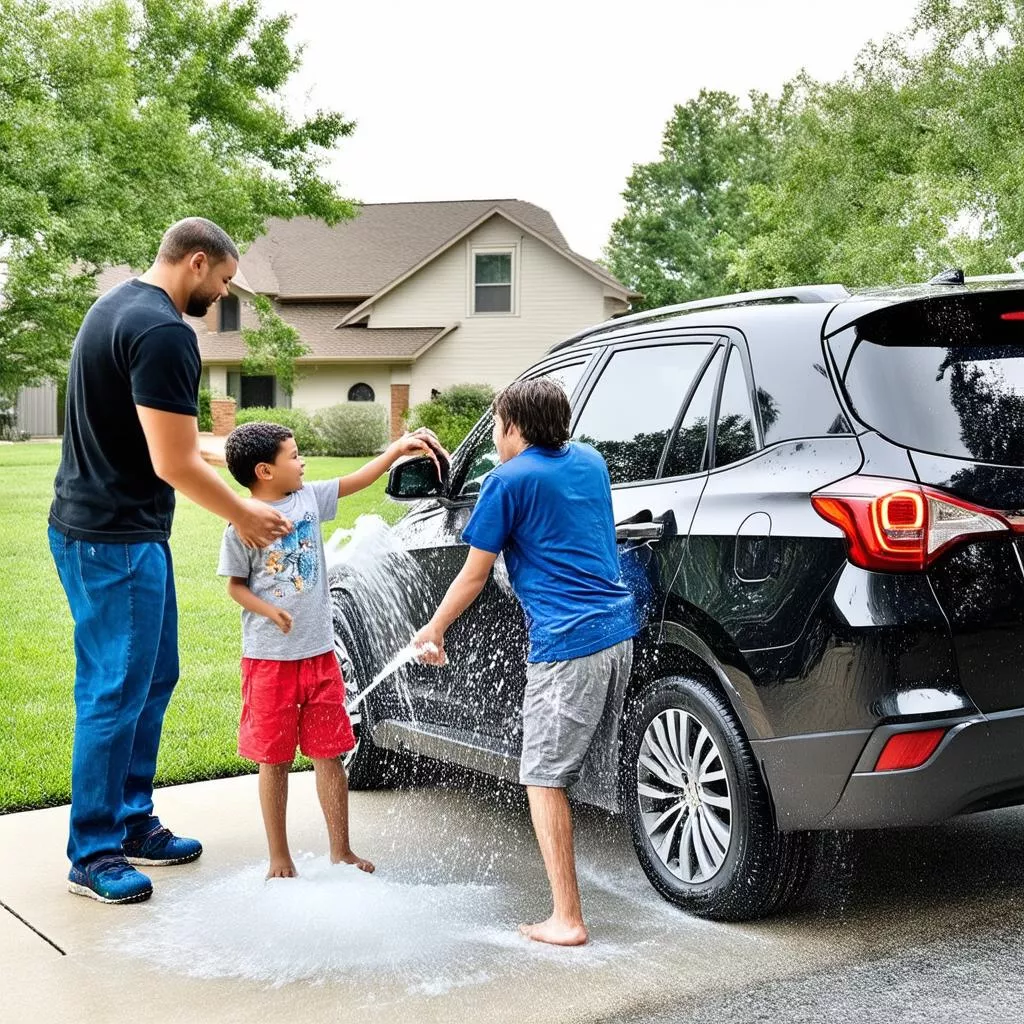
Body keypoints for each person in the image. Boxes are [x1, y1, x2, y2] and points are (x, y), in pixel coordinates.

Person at [48, 218, 292, 904]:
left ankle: (130, 821)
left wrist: (238, 457)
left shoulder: (117, 305)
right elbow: (174, 462)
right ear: (197, 262)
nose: (223, 295)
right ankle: (94, 852)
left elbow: (159, 434)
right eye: (224, 280)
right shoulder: (162, 331)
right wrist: (243, 513)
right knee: (114, 690)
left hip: (112, 530)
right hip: (114, 539)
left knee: (154, 677)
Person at [412, 378, 638, 946]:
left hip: (568, 646)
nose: (494, 436)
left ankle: (567, 918)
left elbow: (474, 574)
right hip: (617, 634)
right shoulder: (589, 461)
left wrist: (435, 629)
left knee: (542, 776)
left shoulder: (506, 481)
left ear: (513, 426)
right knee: (579, 772)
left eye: (496, 425)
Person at [218, 420, 439, 879]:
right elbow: (235, 587)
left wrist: (396, 450)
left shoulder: (308, 499)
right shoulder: (241, 523)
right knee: (274, 760)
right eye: (294, 456)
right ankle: (279, 856)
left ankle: (342, 850)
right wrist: (269, 610)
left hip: (320, 656)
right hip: (269, 662)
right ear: (264, 471)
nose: (302, 463)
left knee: (330, 753)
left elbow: (357, 479)